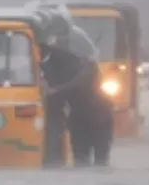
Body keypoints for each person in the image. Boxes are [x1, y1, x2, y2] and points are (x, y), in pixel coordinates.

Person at [38, 11, 112, 167]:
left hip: (98, 116)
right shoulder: (54, 58)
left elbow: (81, 80)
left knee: (100, 161)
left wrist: (56, 90)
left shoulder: (84, 57)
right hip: (78, 117)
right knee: (80, 159)